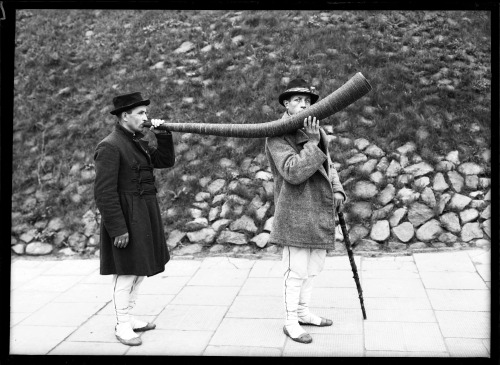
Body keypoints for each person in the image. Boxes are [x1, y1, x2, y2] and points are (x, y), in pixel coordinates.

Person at [265, 78, 347, 344]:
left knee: (313, 268)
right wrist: (312, 143)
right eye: (298, 100)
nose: (304, 104)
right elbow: (292, 171)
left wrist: (337, 189)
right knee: (295, 270)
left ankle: (302, 313)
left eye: (308, 101)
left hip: (319, 207)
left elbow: (329, 165)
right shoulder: (277, 133)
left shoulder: (316, 131)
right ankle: (290, 322)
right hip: (295, 210)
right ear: (286, 104)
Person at [94, 92, 175, 346]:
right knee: (127, 272)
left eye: (145, 113)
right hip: (127, 216)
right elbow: (104, 193)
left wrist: (162, 135)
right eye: (140, 113)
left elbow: (164, 160)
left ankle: (129, 317)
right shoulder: (110, 145)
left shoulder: (137, 140)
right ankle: (122, 324)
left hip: (144, 211)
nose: (145, 117)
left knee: (139, 270)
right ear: (124, 116)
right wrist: (117, 229)